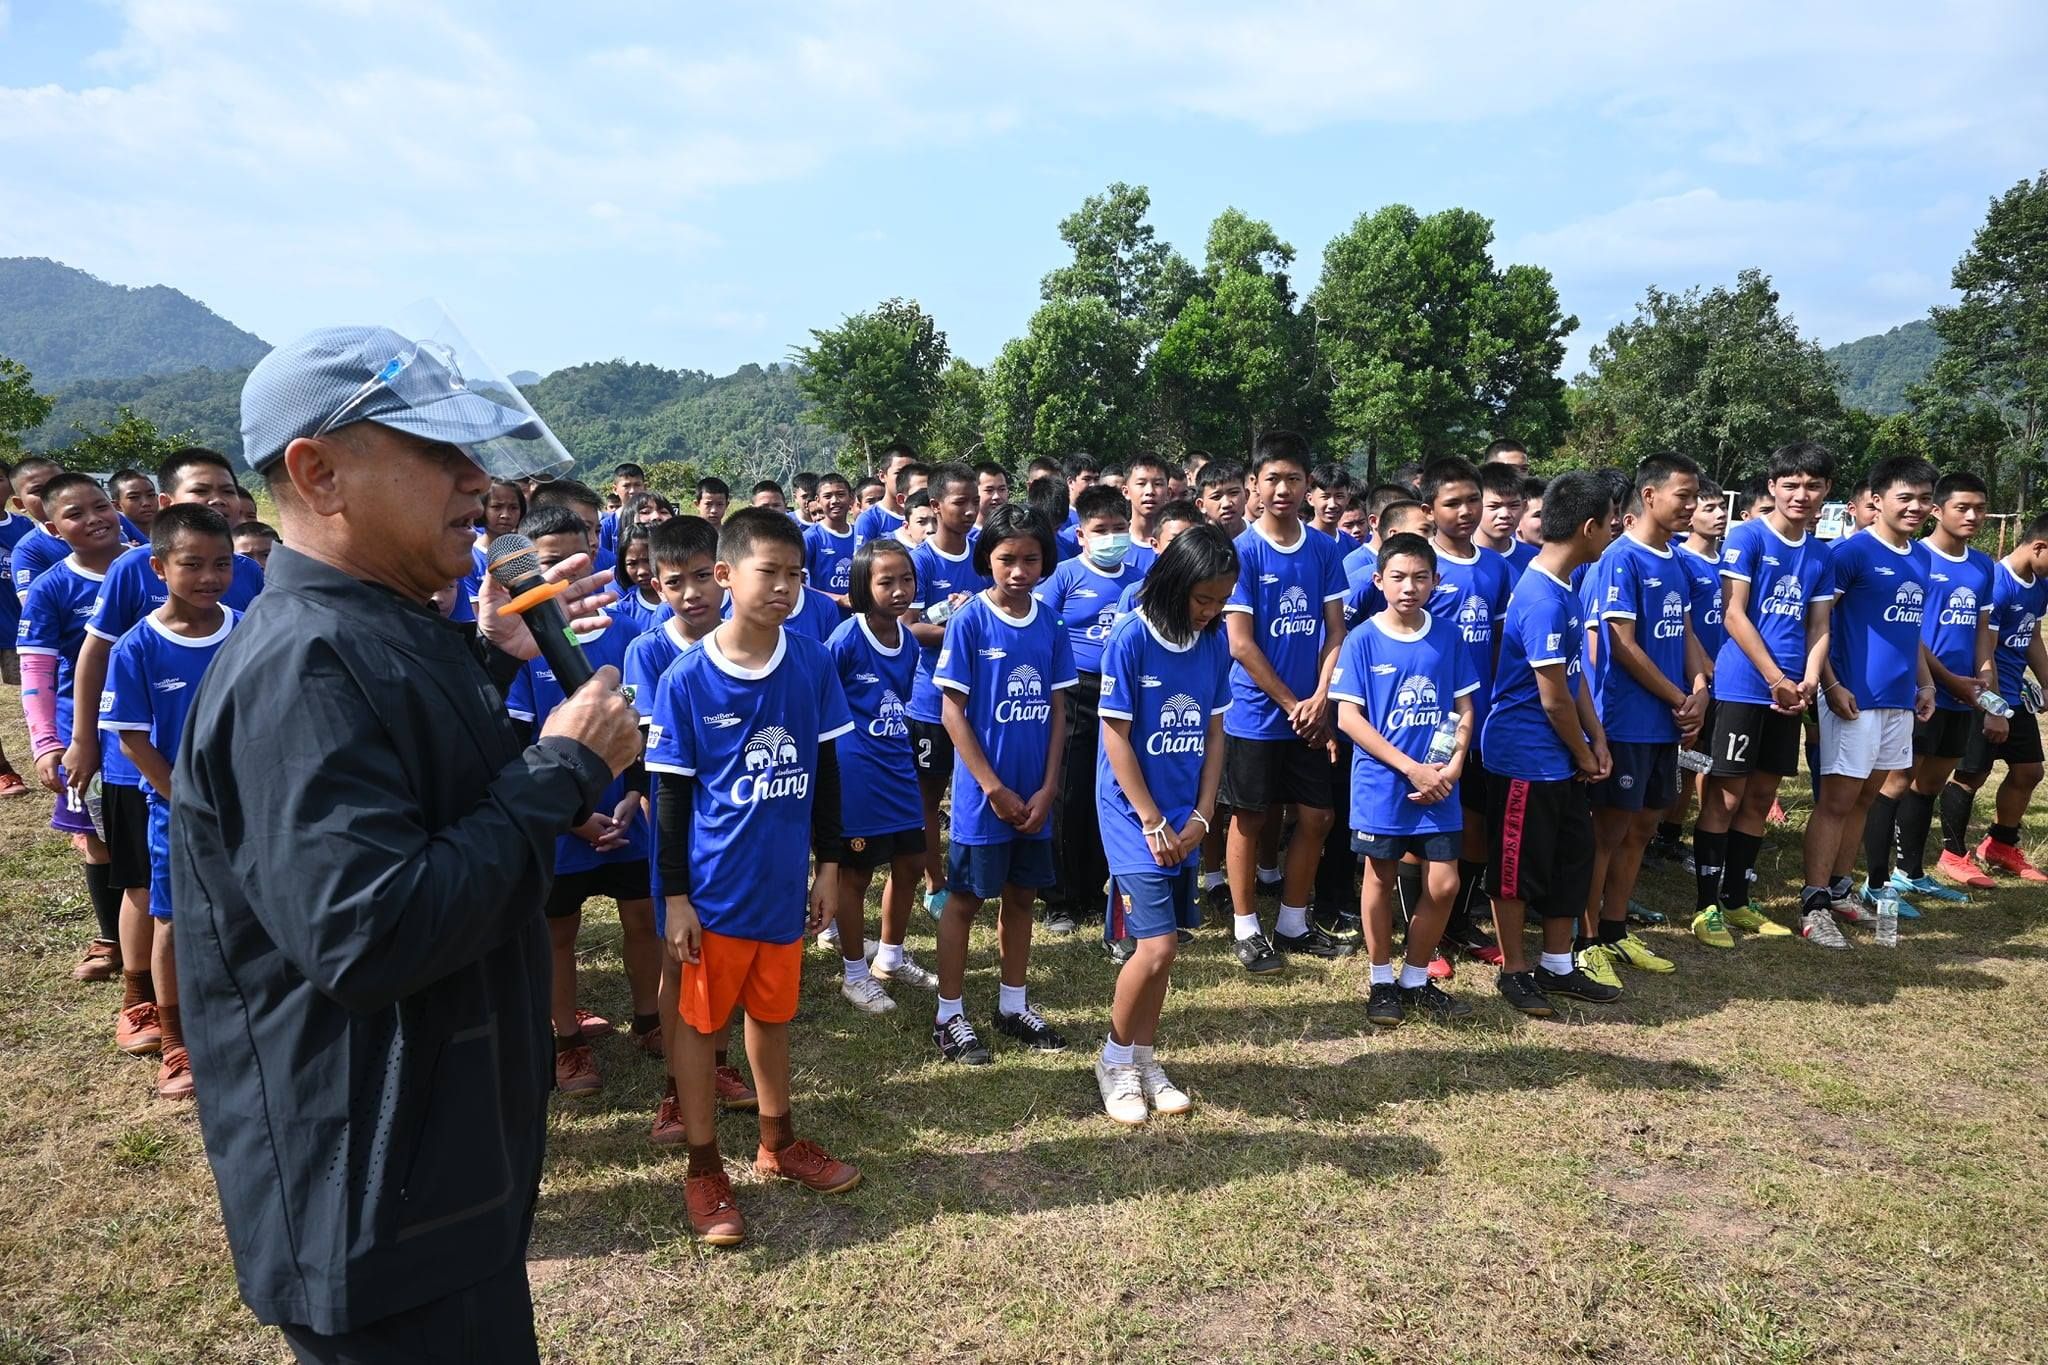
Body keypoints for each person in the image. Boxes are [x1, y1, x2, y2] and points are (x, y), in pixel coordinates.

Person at [173, 323, 641, 1362]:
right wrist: (560, 770)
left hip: (437, 1168)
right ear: (320, 472)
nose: (479, 483)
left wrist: (490, 663)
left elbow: (417, 789)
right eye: (440, 454)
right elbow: (371, 930)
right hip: (374, 1199)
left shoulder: (383, 627)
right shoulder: (302, 666)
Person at [645, 507, 862, 1247]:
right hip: (713, 895)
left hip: (782, 889)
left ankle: (777, 1142)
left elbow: (827, 772)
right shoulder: (685, 680)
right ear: (726, 575)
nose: (784, 586)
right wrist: (676, 897)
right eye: (768, 572)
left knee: (772, 1018)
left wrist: (828, 867)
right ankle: (704, 1166)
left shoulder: (810, 661)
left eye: (794, 574)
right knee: (701, 1030)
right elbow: (670, 799)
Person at [503, 505, 659, 1092]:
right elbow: (517, 744)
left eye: (576, 559)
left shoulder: (632, 633)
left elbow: (646, 733)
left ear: (595, 550)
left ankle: (649, 1019)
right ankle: (566, 1040)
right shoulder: (526, 646)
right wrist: (572, 818)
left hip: (624, 814)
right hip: (558, 822)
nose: (563, 575)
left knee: (642, 918)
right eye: (548, 565)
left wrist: (635, 796)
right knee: (557, 932)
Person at [1093, 525, 1235, 1121]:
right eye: (1203, 599)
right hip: (1133, 815)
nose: (1212, 611)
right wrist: (1151, 820)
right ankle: (1113, 1060)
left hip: (1184, 814)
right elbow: (1116, 736)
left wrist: (1203, 814)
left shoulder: (1216, 638)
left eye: (1221, 600)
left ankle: (1145, 1057)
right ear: (1175, 585)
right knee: (1154, 946)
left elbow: (1214, 731)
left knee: (1167, 949)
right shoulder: (1129, 637)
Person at [101, 504, 241, 1100]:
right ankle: (176, 1037)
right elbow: (133, 738)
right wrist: (183, 799)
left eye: (222, 564)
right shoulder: (137, 646)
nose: (209, 576)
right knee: (174, 920)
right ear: (159, 567)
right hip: (179, 814)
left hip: (255, 806)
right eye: (192, 564)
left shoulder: (249, 627)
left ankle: (248, 1017)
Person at [929, 503, 1074, 1064]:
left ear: (1046, 562)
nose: (1018, 571)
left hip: (1034, 795)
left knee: (1021, 896)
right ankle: (949, 1015)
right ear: (986, 559)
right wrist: (992, 787)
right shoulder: (970, 621)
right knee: (964, 900)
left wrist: (1047, 788)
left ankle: (1013, 1004)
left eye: (1030, 559)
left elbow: (1060, 710)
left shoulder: (1050, 622)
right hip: (982, 799)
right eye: (1006, 559)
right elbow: (952, 711)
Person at [622, 515, 750, 1138]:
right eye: (676, 582)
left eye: (703, 577)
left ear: (724, 574)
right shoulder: (648, 652)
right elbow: (654, 761)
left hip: (739, 837)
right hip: (682, 838)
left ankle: (716, 1064)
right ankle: (676, 1086)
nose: (692, 593)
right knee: (681, 965)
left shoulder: (745, 645)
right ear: (655, 584)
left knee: (724, 964)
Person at [1480, 471, 1621, 1017]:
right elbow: (1552, 698)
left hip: (1563, 757)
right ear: (1588, 528)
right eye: (1610, 524)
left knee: (1571, 858)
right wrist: (1585, 752)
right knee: (1517, 868)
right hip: (1524, 757)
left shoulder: (1568, 587)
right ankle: (1515, 969)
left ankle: (1558, 965)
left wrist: (1598, 739)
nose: (1613, 532)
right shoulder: (1539, 596)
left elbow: (1576, 676)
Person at [1329, 531, 1478, 1026]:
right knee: (1379, 875)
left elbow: (1463, 707)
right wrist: (1409, 766)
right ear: (1379, 580)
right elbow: (1349, 719)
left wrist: (1452, 767)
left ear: (1436, 581)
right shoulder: (1362, 639)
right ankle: (1379, 978)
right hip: (1382, 783)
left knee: (1444, 882)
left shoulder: (1447, 636)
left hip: (1439, 783)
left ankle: (1415, 975)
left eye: (1420, 577)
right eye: (1398, 577)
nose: (1409, 587)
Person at [1690, 443, 1834, 948]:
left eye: (1812, 485)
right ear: (1772, 487)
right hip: (1744, 687)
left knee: (1760, 797)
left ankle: (1737, 900)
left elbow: (1819, 624)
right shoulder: (1748, 537)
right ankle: (1706, 907)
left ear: (1826, 491)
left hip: (1792, 693)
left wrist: (1811, 679)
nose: (1801, 494)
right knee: (1725, 797)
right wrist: (1776, 677)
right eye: (1790, 484)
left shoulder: (1820, 553)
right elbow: (1734, 615)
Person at [1219, 431, 1353, 974]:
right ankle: (1246, 928)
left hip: (1313, 710)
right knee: (1250, 817)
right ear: (1254, 484)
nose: (1283, 489)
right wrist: (1293, 701)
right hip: (1255, 710)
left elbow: (1336, 632)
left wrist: (1320, 697)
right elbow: (1240, 642)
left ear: (1309, 486)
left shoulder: (1324, 549)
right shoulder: (1242, 551)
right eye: (1272, 478)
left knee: (1317, 816)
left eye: (1293, 479)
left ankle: (1293, 922)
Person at [1796, 457, 1939, 944]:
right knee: (1836, 800)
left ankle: (1840, 889)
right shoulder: (1849, 553)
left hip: (1898, 701)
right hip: (1852, 698)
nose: (1916, 507)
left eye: (1924, 498)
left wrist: (1925, 684)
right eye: (1906, 497)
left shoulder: (1920, 557)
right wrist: (1830, 685)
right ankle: (1813, 903)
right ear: (1876, 500)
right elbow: (1818, 625)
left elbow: (1911, 631)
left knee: (1865, 799)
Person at [1577, 454, 1707, 988]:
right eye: (1684, 494)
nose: (1693, 505)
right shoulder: (1619, 559)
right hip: (1626, 721)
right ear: (1649, 496)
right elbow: (1621, 645)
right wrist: (1680, 696)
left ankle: (1614, 928)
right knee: (1607, 832)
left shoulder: (1676, 559)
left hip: (1665, 723)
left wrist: (1702, 688)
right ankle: (1584, 943)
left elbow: (1688, 632)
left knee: (1645, 826)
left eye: (1696, 495)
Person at [19, 473, 131, 1015]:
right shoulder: (52, 587)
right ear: (52, 528)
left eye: (100, 505)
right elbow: (36, 669)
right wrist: (47, 742)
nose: (93, 519)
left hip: (156, 727)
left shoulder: (151, 565)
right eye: (75, 513)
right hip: (83, 731)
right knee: (98, 838)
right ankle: (112, 938)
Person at [826, 537, 940, 1011]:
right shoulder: (846, 640)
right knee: (855, 877)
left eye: (906, 579)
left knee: (912, 864)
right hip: (856, 774)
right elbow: (821, 704)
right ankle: (854, 972)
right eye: (886, 581)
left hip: (898, 766)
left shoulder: (908, 639)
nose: (899, 590)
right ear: (862, 585)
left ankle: (890, 957)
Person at [1036, 484, 1146, 936]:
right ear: (1081, 534)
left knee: (1112, 792)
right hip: (1078, 691)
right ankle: (1061, 897)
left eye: (1119, 528)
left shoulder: (1144, 573)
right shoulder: (1063, 575)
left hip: (1124, 694)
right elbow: (1042, 631)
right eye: (1100, 530)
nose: (1111, 537)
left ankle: (1099, 887)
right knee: (1070, 791)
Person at [1421, 457, 1515, 966]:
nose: (1465, 511)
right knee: (1427, 830)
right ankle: (1423, 931)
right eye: (1452, 502)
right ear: (1428, 508)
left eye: (1471, 500)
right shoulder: (1419, 567)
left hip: (1480, 720)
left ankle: (1456, 922)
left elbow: (1499, 639)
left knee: (1476, 826)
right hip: (1428, 724)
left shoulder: (1497, 566)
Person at [1885, 473, 1998, 894]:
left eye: (1980, 508)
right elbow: (1910, 631)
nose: (1972, 516)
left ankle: (1913, 873)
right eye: (1962, 507)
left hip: (1964, 694)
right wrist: (1945, 680)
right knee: (1900, 778)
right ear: (1938, 510)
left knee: (1931, 782)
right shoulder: (1916, 557)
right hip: (1923, 691)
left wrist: (1985, 679)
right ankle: (1886, 874)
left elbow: (1982, 631)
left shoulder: (1984, 565)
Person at [1937, 512, 2048, 883]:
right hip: (1985, 696)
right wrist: (1993, 708)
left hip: (2014, 695)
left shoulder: (2040, 583)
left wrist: (2047, 681)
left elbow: (2031, 635)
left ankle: (2000, 845)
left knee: (2029, 771)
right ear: (2039, 546)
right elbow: (1984, 648)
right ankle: (1952, 854)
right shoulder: (1999, 584)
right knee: (1972, 774)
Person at [904, 464, 991, 919]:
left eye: (974, 500)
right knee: (929, 793)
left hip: (980, 694)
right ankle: (934, 881)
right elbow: (910, 627)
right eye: (961, 502)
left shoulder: (982, 553)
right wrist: (959, 627)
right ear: (935, 506)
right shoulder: (921, 560)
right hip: (931, 696)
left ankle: (973, 871)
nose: (971, 509)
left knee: (974, 787)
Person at [1650, 478, 1728, 864]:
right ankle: (1660, 833)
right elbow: (1685, 627)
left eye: (1719, 507)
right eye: (1708, 507)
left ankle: (1672, 832)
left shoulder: (1729, 560)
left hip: (1723, 681)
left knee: (1706, 760)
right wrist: (1705, 669)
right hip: (1690, 679)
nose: (1718, 514)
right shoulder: (1680, 559)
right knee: (1684, 758)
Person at [9, 455, 72, 601]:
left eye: (59, 484)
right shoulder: (28, 551)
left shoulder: (109, 520)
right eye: (38, 490)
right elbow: (35, 610)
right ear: (20, 504)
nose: (53, 494)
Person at [803, 471, 857, 605]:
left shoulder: (859, 534)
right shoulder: (810, 537)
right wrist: (838, 599)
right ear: (818, 501)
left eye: (840, 495)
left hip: (857, 615)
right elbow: (798, 584)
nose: (835, 501)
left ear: (851, 498)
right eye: (827, 496)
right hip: (824, 616)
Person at [1477, 461, 1538, 580]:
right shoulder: (1450, 560)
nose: (1504, 514)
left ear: (1524, 506)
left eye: (1513, 506)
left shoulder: (1535, 560)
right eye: (1494, 506)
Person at [853, 445, 920, 546]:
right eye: (898, 473)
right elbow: (863, 561)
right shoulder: (869, 519)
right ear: (882, 476)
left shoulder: (929, 513)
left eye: (911, 473)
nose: (906, 479)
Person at [607, 522, 665, 635]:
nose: (642, 571)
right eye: (632, 564)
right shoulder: (620, 612)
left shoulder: (685, 603)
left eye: (648, 561)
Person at [1125, 452, 1172, 549]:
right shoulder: (1115, 548)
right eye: (1141, 483)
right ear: (1126, 492)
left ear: (1168, 493)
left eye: (1158, 484)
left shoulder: (1178, 546)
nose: (1150, 491)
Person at [1307, 462, 1356, 549]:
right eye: (1325, 497)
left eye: (1339, 496)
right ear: (1310, 499)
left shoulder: (1352, 546)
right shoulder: (1299, 541)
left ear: (1348, 499)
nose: (1332, 504)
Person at [599, 462, 647, 553]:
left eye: (637, 485)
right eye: (626, 486)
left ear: (645, 487)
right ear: (615, 489)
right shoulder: (607, 526)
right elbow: (603, 558)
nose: (632, 491)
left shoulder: (653, 519)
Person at [1196, 459, 1248, 540]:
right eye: (1216, 497)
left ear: (1246, 495)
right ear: (1201, 505)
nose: (1226, 504)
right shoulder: (1195, 547)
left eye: (1234, 493)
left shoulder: (1264, 537)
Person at [109, 468, 160, 538]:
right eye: (134, 497)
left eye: (151, 495)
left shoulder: (173, 534)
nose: (146, 503)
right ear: (117, 506)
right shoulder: (117, 544)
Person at [1061, 452, 1102, 532]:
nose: (1093, 484)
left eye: (1096, 479)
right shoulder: (1061, 518)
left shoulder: (1103, 514)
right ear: (1070, 482)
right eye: (1087, 479)